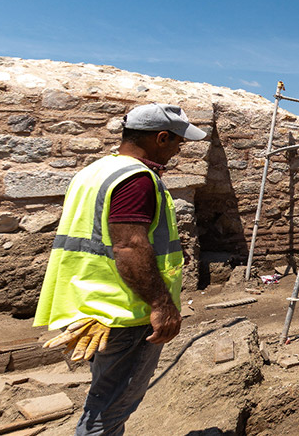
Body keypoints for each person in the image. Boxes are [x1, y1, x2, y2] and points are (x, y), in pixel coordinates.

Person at [34, 103, 207, 435]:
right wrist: (161, 304)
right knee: (108, 412)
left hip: (93, 304)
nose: (180, 148)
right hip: (127, 314)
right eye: (177, 141)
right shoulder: (137, 180)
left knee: (103, 399)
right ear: (161, 138)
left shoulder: (95, 171)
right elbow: (129, 246)